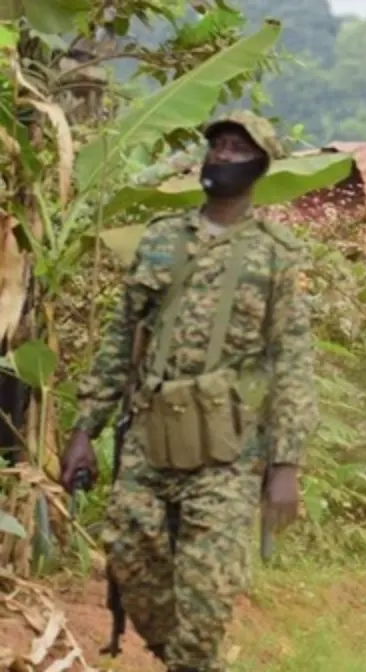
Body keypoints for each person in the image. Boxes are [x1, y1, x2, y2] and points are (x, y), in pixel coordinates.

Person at [59, 111, 316, 672]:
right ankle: (189, 662)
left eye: (236, 148)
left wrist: (286, 464)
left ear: (259, 165)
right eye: (217, 144)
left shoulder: (275, 255)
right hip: (149, 439)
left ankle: (193, 660)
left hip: (227, 452)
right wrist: (84, 431)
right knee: (130, 558)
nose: (222, 155)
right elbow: (120, 337)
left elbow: (293, 361)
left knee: (208, 594)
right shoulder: (161, 238)